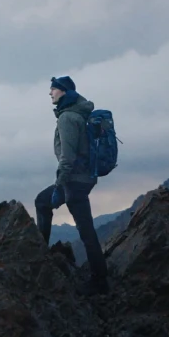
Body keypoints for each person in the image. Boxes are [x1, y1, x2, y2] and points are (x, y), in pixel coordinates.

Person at [34, 75, 109, 292]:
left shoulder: (67, 118)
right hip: (86, 179)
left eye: (53, 89)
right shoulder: (81, 114)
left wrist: (60, 185)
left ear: (64, 91)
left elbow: (67, 156)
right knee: (87, 231)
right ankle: (101, 280)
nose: (50, 93)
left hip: (74, 180)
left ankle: (40, 259)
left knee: (41, 202)